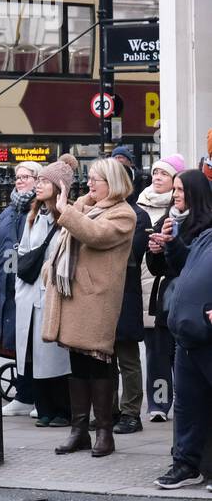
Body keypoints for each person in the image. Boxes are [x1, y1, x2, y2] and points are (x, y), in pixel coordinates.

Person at [42, 157, 137, 458]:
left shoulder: (124, 214)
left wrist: (66, 208)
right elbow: (71, 222)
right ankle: (79, 430)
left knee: (99, 362)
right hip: (75, 295)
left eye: (97, 179)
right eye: (90, 178)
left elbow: (95, 235)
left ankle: (104, 432)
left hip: (97, 298)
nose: (91, 183)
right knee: (78, 363)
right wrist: (67, 204)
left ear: (114, 183)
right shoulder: (86, 205)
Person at [153, 209, 212, 488]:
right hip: (188, 336)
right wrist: (173, 244)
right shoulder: (206, 237)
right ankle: (186, 465)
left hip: (206, 334)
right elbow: (183, 265)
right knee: (188, 407)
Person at [15, 163, 73, 427]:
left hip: (52, 293)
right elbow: (24, 254)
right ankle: (44, 407)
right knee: (34, 356)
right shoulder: (33, 215)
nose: (38, 185)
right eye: (37, 180)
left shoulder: (66, 216)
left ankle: (62, 409)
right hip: (30, 294)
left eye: (44, 181)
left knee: (54, 356)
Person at [0, 161, 41, 417]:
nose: (20, 181)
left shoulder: (38, 208)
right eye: (17, 177)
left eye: (26, 177)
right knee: (17, 343)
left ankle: (33, 395)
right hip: (6, 284)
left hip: (27, 282)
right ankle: (23, 394)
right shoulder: (9, 210)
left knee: (30, 342)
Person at [138, 155, 183, 422]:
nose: (157, 177)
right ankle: (159, 403)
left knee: (179, 352)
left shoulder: (179, 210)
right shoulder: (141, 205)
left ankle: (184, 399)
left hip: (168, 288)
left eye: (164, 174)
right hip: (147, 292)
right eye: (155, 172)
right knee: (155, 354)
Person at [113, 183, 153, 435]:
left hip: (125, 293)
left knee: (127, 357)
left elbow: (131, 254)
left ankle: (130, 413)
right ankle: (109, 410)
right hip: (99, 295)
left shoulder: (137, 215)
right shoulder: (95, 210)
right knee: (103, 358)